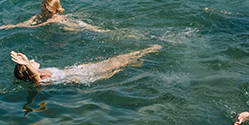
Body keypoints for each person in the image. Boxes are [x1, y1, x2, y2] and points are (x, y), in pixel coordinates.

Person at [10, 45, 161, 86]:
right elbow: (34, 75)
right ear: (30, 71)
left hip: (77, 70)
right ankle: (146, 52)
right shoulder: (38, 79)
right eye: (30, 62)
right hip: (82, 76)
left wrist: (25, 61)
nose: (32, 60)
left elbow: (34, 72)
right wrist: (26, 63)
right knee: (117, 64)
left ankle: (141, 55)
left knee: (114, 61)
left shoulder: (41, 72)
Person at [0, 0, 108, 33]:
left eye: (43, 4)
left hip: (74, 24)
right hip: (66, 24)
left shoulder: (52, 19)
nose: (41, 5)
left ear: (48, 8)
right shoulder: (40, 15)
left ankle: (104, 31)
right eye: (42, 3)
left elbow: (38, 25)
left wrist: (29, 28)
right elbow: (28, 22)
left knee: (89, 28)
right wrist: (14, 26)